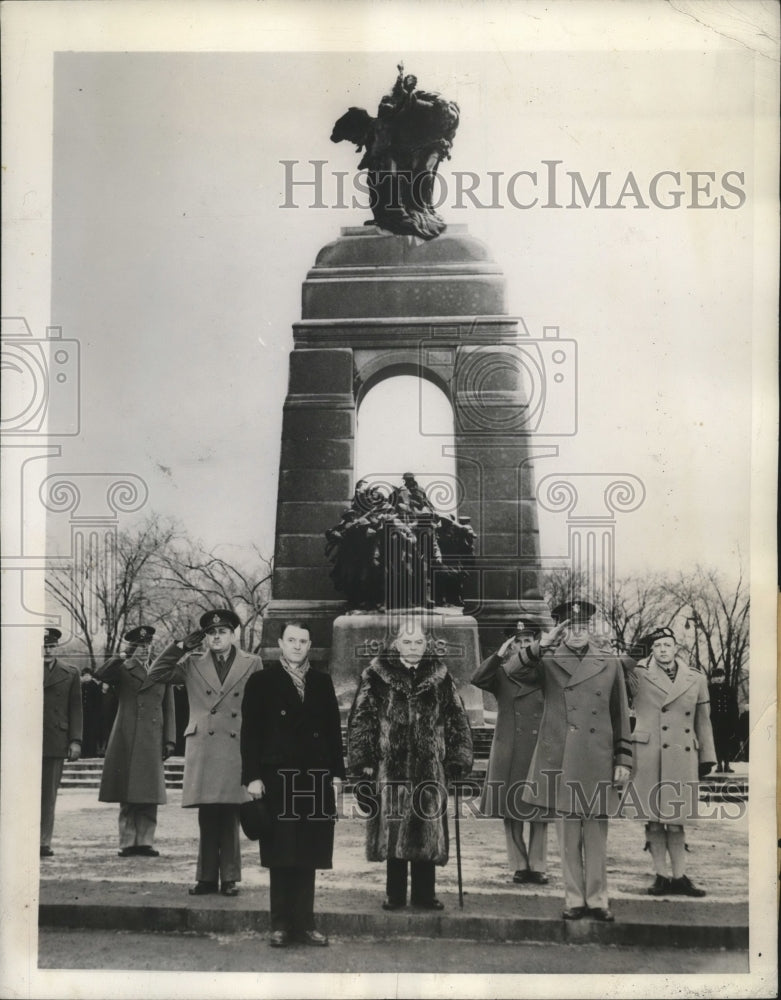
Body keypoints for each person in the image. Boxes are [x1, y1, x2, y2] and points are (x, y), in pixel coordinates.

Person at [503, 600, 633, 922]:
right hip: (561, 760)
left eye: (583, 627)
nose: (577, 633)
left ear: (590, 629)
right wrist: (540, 645)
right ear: (561, 630)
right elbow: (512, 671)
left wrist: (623, 759)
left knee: (596, 838)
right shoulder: (547, 661)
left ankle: (598, 900)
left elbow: (620, 715)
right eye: (571, 628)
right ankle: (574, 899)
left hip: (598, 758)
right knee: (568, 837)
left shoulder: (609, 662)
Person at [347, 619, 474, 912]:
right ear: (396, 644)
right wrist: (364, 760)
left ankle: (424, 894)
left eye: (419, 642)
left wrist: (457, 757)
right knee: (393, 828)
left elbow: (456, 718)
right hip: (391, 767)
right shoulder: (376, 675)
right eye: (407, 642)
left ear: (426, 644)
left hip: (429, 767)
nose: (413, 647)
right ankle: (394, 893)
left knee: (426, 828)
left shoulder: (441, 675)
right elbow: (362, 718)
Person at [141, 609, 261, 896]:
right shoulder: (191, 662)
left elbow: (261, 703)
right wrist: (180, 647)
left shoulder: (252, 662)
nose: (216, 637)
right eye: (211, 633)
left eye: (222, 632)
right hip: (204, 746)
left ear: (233, 635)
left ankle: (229, 878)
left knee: (230, 813)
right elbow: (155, 674)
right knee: (207, 814)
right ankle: (206, 878)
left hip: (235, 744)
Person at [241, 622, 345, 948]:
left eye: (303, 641)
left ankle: (306, 924)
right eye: (291, 640)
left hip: (314, 777)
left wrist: (337, 775)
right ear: (280, 643)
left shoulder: (322, 682)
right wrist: (252, 776)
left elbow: (333, 731)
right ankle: (281, 925)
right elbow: (250, 733)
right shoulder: (262, 681)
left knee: (309, 852)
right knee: (281, 852)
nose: (297, 646)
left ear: (310, 644)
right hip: (277, 777)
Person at [629, 626, 716, 897]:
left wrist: (708, 756)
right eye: (657, 646)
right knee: (653, 820)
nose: (663, 650)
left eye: (667, 644)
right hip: (648, 755)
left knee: (677, 820)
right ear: (651, 649)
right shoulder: (638, 674)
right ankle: (661, 876)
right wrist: (636, 649)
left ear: (676, 648)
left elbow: (703, 720)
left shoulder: (696, 677)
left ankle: (679, 877)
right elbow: (619, 672)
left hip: (682, 755)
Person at [471, 621, 549, 886]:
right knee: (511, 810)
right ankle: (519, 864)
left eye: (528, 641)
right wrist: (498, 655)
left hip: (538, 747)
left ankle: (538, 865)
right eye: (518, 641)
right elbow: (477, 678)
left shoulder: (545, 671)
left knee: (539, 810)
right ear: (511, 645)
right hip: (510, 748)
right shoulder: (502, 672)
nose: (524, 646)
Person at [96, 626, 176, 857]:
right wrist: (123, 654)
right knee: (128, 792)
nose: (144, 649)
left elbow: (168, 706)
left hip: (153, 736)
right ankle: (128, 841)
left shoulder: (162, 668)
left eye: (147, 645)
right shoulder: (123, 668)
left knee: (150, 792)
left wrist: (170, 739)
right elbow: (102, 674)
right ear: (132, 647)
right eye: (139, 645)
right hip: (127, 735)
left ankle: (146, 841)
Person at [41, 627, 83, 857]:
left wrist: (75, 740)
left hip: (56, 739)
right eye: (43, 646)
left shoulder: (70, 672)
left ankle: (42, 841)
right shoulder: (21, 669)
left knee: (48, 795)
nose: (47, 650)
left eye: (51, 646)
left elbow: (75, 708)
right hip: (25, 742)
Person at [708, 667, 739, 773]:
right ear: (713, 678)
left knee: (727, 743)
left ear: (724, 677)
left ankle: (727, 764)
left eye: (720, 676)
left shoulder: (730, 689)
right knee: (717, 743)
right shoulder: (709, 690)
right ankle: (719, 765)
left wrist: (735, 722)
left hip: (727, 722)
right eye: (716, 676)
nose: (719, 679)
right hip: (715, 722)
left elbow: (734, 707)